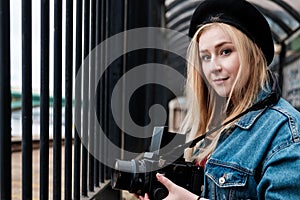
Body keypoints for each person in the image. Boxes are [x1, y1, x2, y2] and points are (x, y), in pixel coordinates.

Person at [139, 0, 300, 199]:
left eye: (225, 51)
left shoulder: (285, 131)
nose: (213, 66)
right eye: (205, 57)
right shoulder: (213, 123)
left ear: (252, 55)